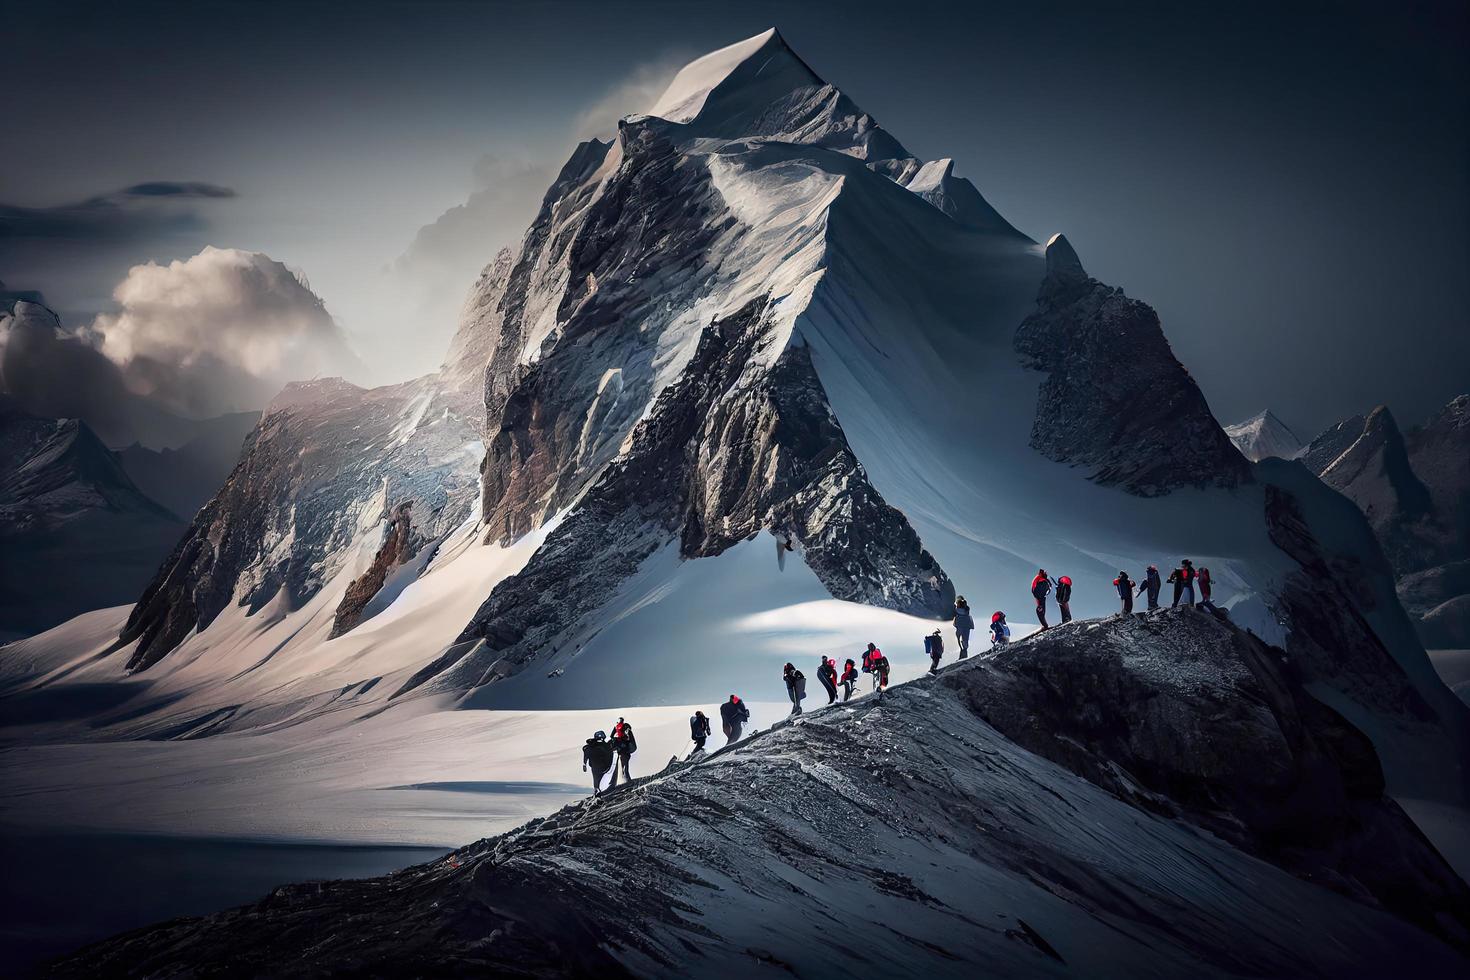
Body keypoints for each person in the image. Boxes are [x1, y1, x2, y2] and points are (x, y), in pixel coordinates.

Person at [582, 730, 614, 796]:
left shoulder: (590, 746)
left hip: (594, 766)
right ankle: (599, 791)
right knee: (601, 778)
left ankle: (596, 790)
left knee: (596, 779)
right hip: (604, 766)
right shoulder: (605, 745)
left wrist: (584, 764)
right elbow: (610, 753)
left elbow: (586, 755)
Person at [608, 717, 637, 788]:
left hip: (621, 746)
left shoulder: (619, 726)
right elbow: (628, 735)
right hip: (623, 746)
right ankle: (626, 781)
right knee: (624, 766)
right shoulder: (624, 726)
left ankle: (625, 781)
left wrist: (615, 739)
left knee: (623, 765)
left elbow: (611, 735)